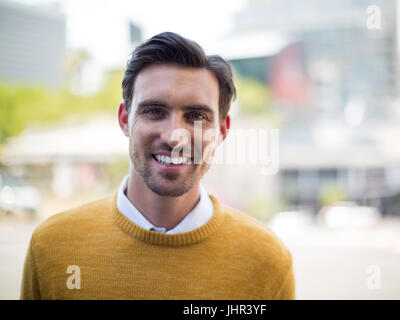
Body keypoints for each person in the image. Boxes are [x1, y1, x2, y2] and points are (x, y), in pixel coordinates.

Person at [20, 32, 295, 300]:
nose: (174, 136)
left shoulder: (267, 261)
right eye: (154, 112)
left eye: (196, 116)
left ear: (222, 131)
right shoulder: (52, 247)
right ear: (125, 119)